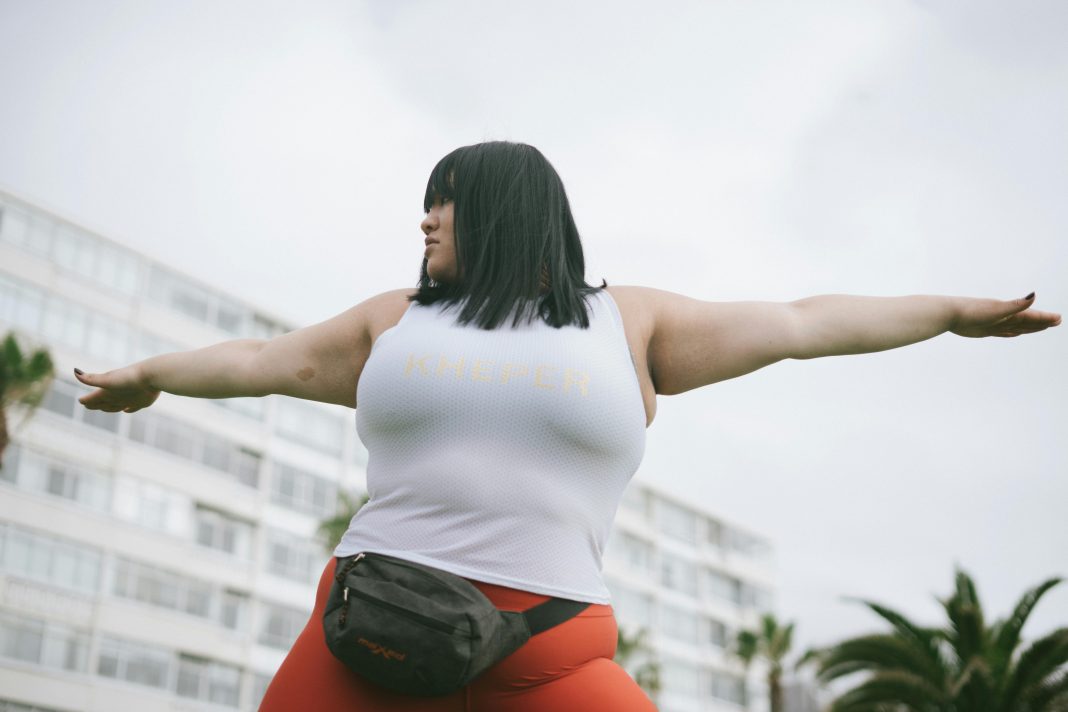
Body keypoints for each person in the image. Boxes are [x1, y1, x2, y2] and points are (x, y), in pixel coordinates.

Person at [74, 141, 1061, 712]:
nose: (423, 224)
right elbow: (257, 361)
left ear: (507, 212)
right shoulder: (391, 318)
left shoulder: (630, 321)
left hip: (546, 649)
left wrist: (948, 312)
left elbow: (802, 323)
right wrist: (149, 376)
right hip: (366, 632)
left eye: (444, 205)